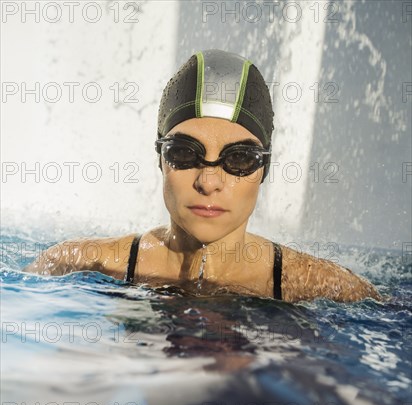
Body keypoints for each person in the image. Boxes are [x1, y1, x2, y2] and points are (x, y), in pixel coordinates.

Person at [23, 49, 381, 303]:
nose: (209, 182)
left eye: (239, 159)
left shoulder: (321, 286)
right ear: (161, 160)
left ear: (264, 169)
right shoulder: (76, 262)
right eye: (184, 153)